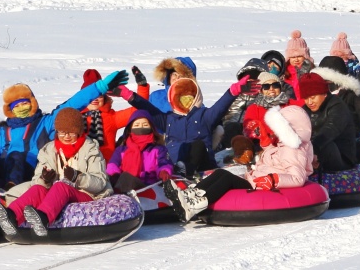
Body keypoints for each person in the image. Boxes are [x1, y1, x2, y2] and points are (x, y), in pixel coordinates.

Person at [162, 103, 314, 223]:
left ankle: (194, 205)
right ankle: (190, 194)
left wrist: (274, 179)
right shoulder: (284, 145)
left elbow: (297, 177)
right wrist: (265, 141)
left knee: (226, 178)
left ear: (289, 129)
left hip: (261, 185)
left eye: (278, 128)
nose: (274, 132)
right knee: (221, 173)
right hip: (255, 179)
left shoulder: (293, 150)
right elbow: (276, 158)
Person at [0, 70, 129, 188]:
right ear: (10, 109)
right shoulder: (3, 130)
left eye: (24, 103)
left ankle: (11, 193)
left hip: (34, 172)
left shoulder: (45, 123)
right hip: (3, 169)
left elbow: (71, 105)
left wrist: (100, 87)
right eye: (16, 106)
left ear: (32, 103)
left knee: (16, 156)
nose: (21, 108)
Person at [0, 108, 110, 238]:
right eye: (62, 132)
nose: (67, 137)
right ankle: (11, 217)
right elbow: (37, 180)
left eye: (71, 132)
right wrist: (45, 179)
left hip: (87, 194)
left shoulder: (91, 149)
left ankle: (42, 218)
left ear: (79, 131)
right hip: (57, 194)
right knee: (38, 188)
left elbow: (100, 182)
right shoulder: (49, 150)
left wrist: (78, 177)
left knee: (61, 186)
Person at [119, 69, 257, 173]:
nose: (185, 101)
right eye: (181, 98)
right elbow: (147, 108)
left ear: (196, 97)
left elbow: (220, 107)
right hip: (174, 164)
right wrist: (129, 95)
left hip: (202, 165)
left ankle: (186, 171)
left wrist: (233, 91)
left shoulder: (205, 116)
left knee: (197, 145)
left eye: (189, 97)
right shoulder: (168, 119)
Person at [79, 66, 149, 163]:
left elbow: (139, 109)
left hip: (106, 167)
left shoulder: (111, 117)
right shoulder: (74, 116)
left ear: (104, 97)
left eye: (99, 95)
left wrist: (142, 87)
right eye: (91, 95)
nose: (95, 99)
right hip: (79, 167)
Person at [302, 73, 358, 174]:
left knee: (326, 145)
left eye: (313, 97)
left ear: (324, 93)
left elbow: (330, 130)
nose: (309, 102)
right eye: (306, 98)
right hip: (312, 152)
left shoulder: (337, 106)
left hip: (341, 157)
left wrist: (313, 149)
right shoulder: (304, 110)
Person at [106, 110, 174, 193]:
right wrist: (114, 175)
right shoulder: (121, 150)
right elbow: (112, 165)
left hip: (150, 188)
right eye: (137, 125)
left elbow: (164, 163)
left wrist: (164, 172)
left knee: (127, 178)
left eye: (145, 125)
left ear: (151, 128)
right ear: (130, 129)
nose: (141, 128)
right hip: (124, 188)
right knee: (125, 178)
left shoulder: (158, 149)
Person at [282, 31, 314, 98]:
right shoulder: (284, 74)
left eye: (299, 56)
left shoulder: (312, 72)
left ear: (305, 56)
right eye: (293, 57)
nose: (296, 60)